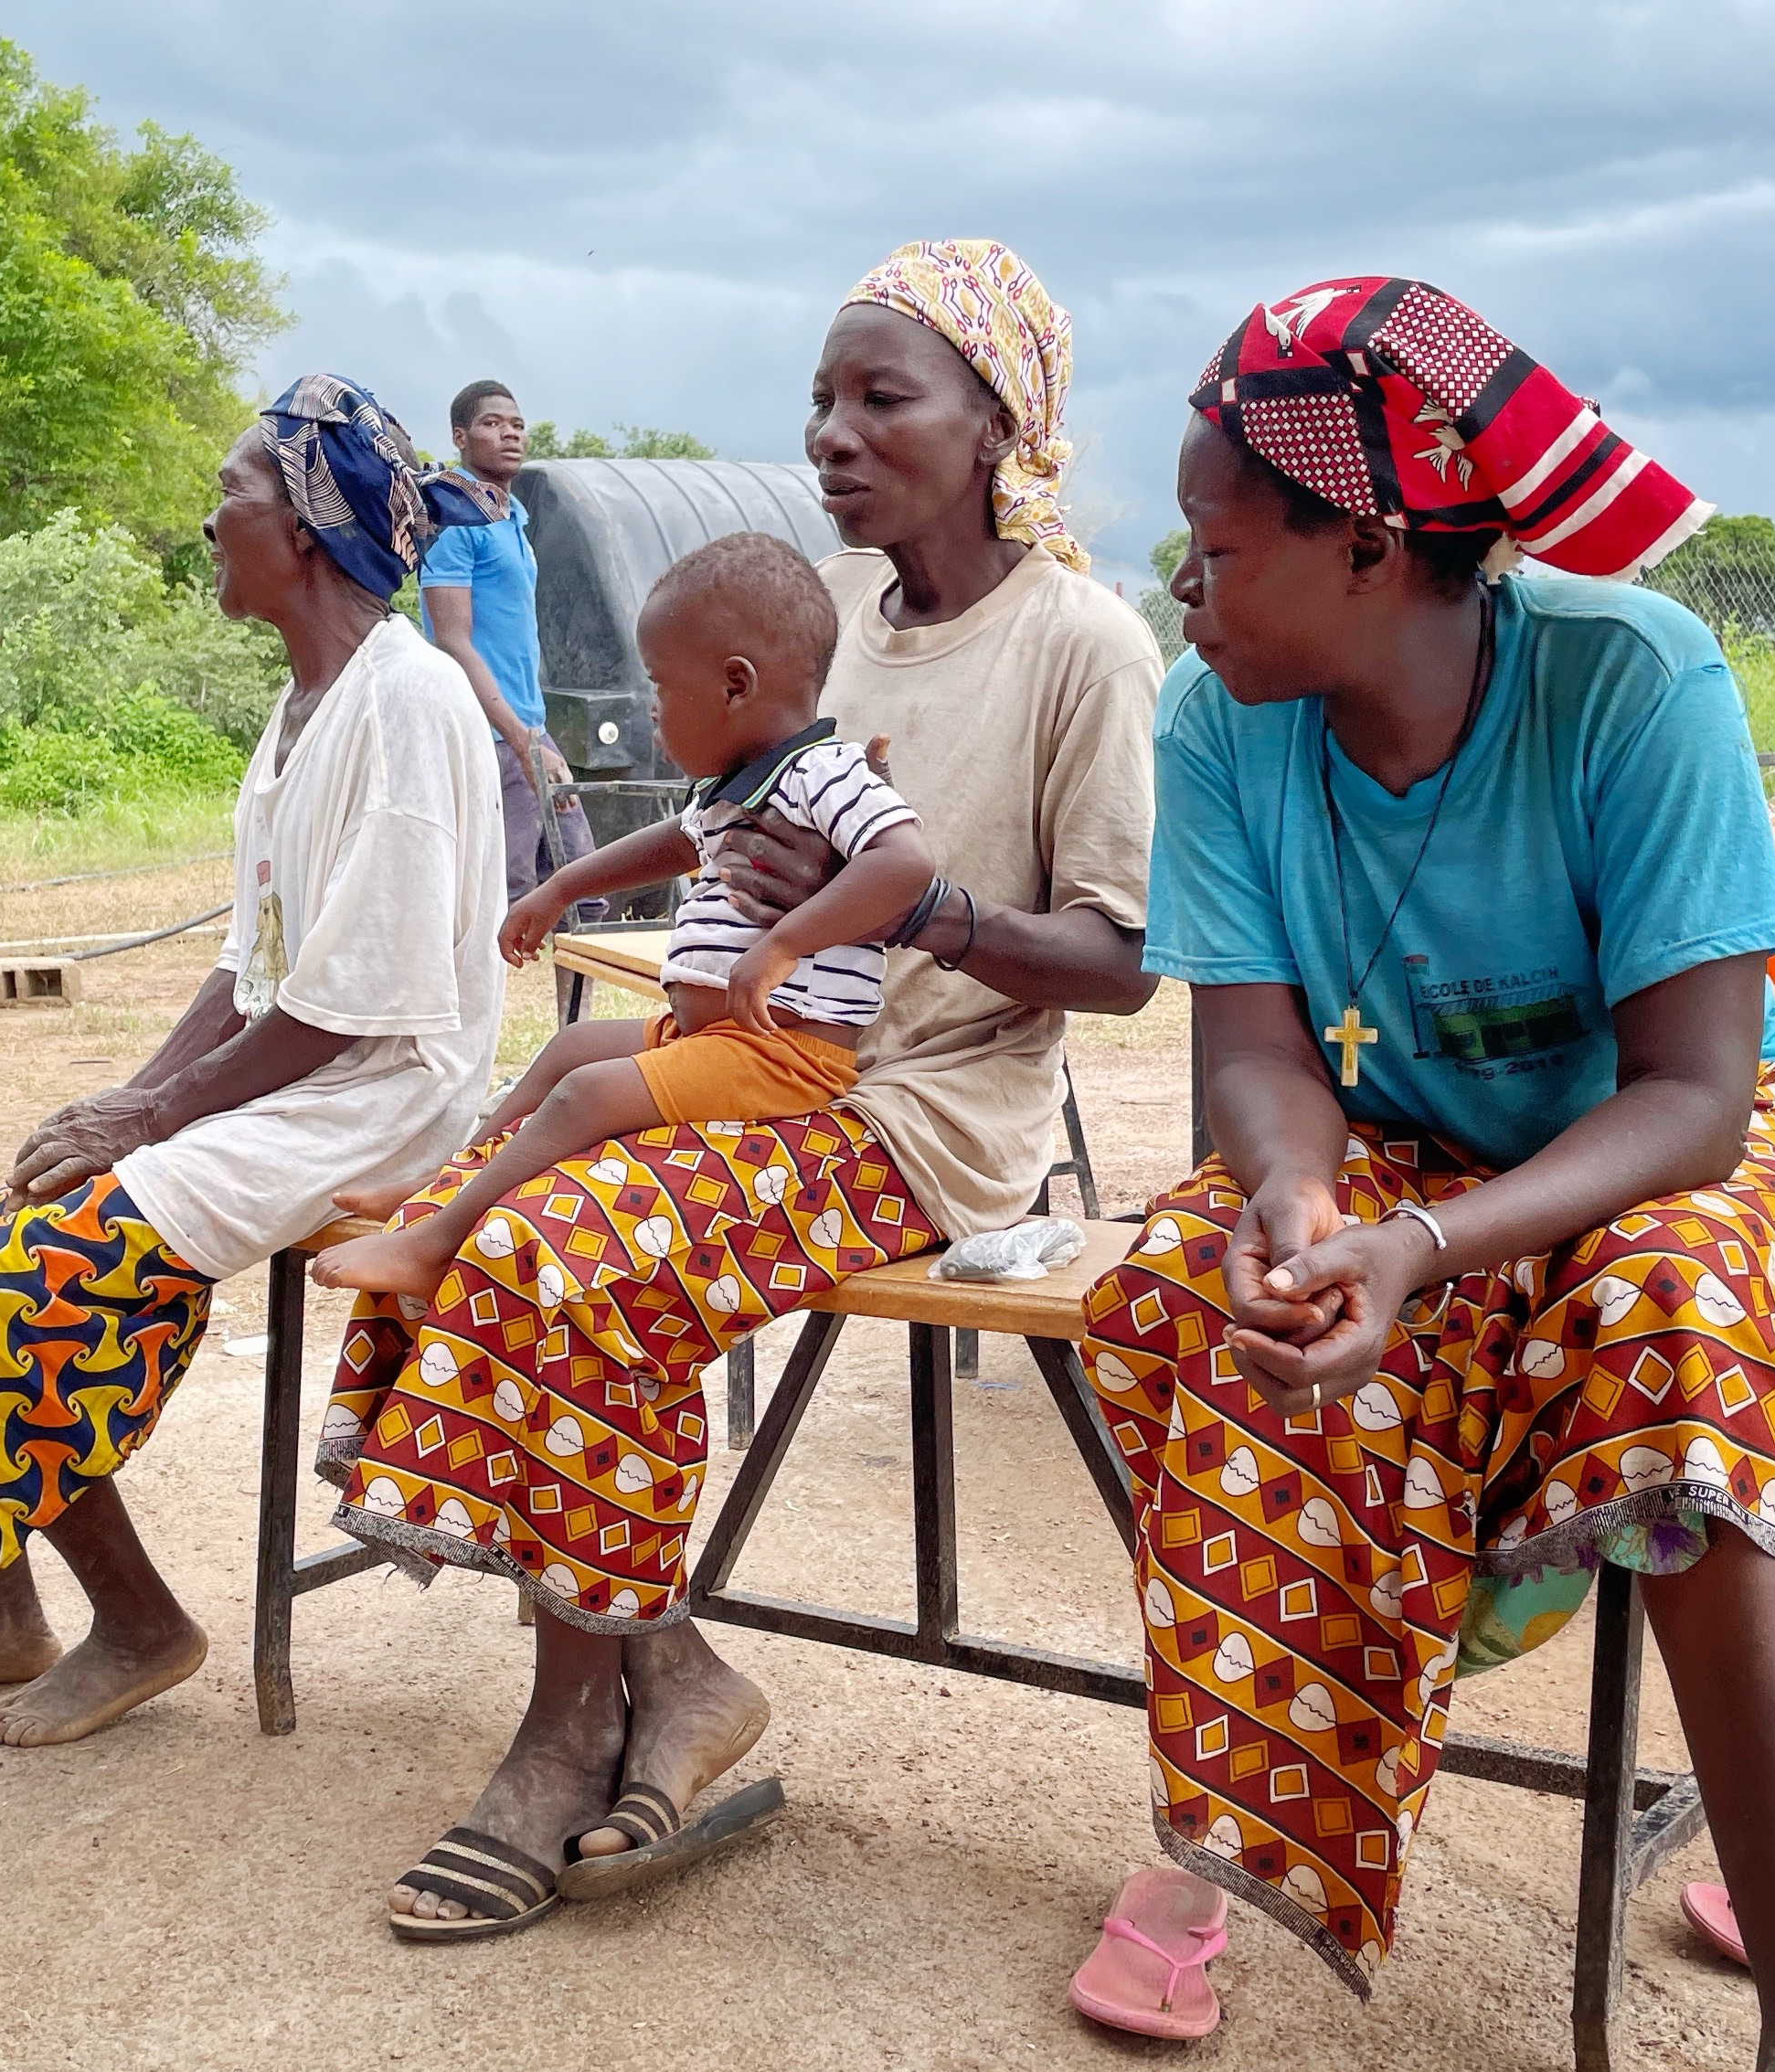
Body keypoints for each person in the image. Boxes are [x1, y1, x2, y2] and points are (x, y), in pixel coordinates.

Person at [1074, 276, 1775, 2072]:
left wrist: (1423, 1257)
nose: (1186, 590)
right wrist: (1311, 1210)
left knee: (1670, 1325)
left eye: (1220, 550)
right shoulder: (1216, 715)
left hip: (1644, 1142)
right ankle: (1282, 1815)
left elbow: (1695, 1095)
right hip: (1396, 1142)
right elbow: (1251, 1050)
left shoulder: (1630, 678)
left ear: (1369, 542)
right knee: (1179, 1284)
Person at [314, 239, 1163, 1942]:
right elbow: (718, 820)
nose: (834, 433)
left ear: (1000, 425)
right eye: (821, 401)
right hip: (767, 1064)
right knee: (476, 1201)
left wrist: (926, 912)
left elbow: (1123, 958)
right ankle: (673, 1669)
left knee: (566, 1243)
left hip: (914, 1115)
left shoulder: (1084, 644)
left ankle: (568, 1732)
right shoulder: (820, 612)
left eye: (879, 397)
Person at [0, 375, 509, 1748]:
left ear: (304, 529)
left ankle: (141, 1625)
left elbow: (353, 1002)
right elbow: (247, 970)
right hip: (299, 1072)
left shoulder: (408, 701)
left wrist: (158, 1115)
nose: (209, 519)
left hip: (378, 1098)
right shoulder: (303, 709)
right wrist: (125, 1104)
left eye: (232, 492)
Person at [314, 531, 933, 1301]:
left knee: (590, 1094)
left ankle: (436, 1243)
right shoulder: (738, 784)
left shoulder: (824, 772)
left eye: (660, 686)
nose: (649, 706)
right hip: (714, 1039)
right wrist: (559, 887)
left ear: (735, 686)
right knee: (572, 1048)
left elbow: (905, 863)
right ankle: (441, 1183)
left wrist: (784, 944)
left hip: (788, 1055)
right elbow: (672, 844)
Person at [424, 378, 587, 908]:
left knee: (581, 891)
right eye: (493, 424)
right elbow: (451, 641)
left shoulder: (512, 517)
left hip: (528, 729)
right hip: (488, 737)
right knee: (499, 895)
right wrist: (521, 741)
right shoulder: (452, 521)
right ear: (460, 437)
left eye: (517, 425)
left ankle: (572, 997)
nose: (510, 434)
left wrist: (532, 735)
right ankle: (468, 994)